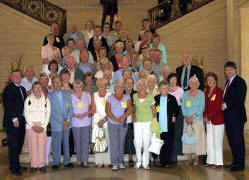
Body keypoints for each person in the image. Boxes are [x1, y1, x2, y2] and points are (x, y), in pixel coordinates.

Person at [222, 61, 247, 172]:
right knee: (232, 141)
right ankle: (235, 162)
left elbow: (239, 99)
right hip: (228, 117)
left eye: (231, 69)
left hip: (237, 117)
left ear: (235, 70)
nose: (228, 72)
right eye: (227, 70)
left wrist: (226, 105)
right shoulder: (228, 82)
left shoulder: (240, 82)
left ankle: (240, 165)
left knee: (238, 141)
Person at [2, 69, 27, 176]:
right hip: (13, 122)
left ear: (21, 77)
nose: (17, 77)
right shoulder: (8, 89)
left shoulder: (22, 88)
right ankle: (13, 167)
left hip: (21, 122)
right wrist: (14, 119)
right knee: (13, 146)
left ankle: (17, 164)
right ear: (11, 78)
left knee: (19, 145)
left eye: (19, 76)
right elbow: (9, 105)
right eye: (15, 76)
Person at [47, 77, 74, 170]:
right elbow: (52, 111)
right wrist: (63, 121)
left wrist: (68, 120)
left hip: (67, 123)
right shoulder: (49, 96)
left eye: (59, 82)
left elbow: (71, 108)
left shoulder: (66, 94)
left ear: (61, 83)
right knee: (56, 144)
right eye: (55, 82)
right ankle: (56, 162)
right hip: (56, 123)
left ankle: (67, 161)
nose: (57, 84)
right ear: (53, 84)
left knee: (66, 143)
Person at [105, 79, 132, 170]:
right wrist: (116, 119)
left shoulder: (127, 97)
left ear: (123, 87)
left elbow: (130, 109)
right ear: (114, 88)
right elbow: (107, 110)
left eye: (121, 86)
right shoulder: (110, 97)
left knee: (121, 142)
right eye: (117, 86)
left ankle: (120, 162)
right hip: (112, 123)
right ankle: (114, 163)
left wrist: (123, 117)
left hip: (123, 123)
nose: (119, 88)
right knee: (114, 143)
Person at [24, 82, 51, 172]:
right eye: (36, 88)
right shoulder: (28, 99)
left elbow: (48, 114)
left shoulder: (46, 100)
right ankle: (34, 165)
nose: (38, 89)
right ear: (33, 89)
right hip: (31, 126)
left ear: (42, 89)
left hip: (42, 126)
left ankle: (42, 164)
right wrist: (32, 126)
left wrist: (43, 126)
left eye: (39, 87)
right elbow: (26, 114)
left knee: (42, 145)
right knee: (33, 146)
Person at [181, 76, 206, 166]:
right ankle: (189, 157)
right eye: (191, 83)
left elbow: (202, 107)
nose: (193, 84)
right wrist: (186, 116)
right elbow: (183, 106)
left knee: (197, 139)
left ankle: (196, 158)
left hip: (197, 120)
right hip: (187, 120)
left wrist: (193, 116)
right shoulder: (185, 93)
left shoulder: (201, 94)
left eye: (195, 83)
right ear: (189, 84)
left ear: (198, 84)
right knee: (188, 139)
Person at [133, 79, 157, 170]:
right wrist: (133, 115)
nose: (142, 87)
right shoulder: (135, 96)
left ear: (146, 86)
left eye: (143, 85)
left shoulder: (150, 96)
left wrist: (155, 121)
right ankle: (138, 162)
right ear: (137, 87)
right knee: (137, 142)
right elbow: (134, 109)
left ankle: (145, 163)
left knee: (147, 142)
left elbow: (154, 110)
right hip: (138, 122)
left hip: (148, 122)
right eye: (140, 85)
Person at [154, 80, 179, 168]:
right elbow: (153, 110)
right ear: (159, 89)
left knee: (169, 143)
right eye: (162, 88)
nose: (164, 90)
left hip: (169, 125)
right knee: (160, 143)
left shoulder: (172, 98)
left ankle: (167, 161)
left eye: (165, 88)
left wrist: (174, 115)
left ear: (168, 89)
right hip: (159, 125)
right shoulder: (156, 98)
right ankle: (161, 161)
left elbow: (177, 109)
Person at [203, 72, 224, 168]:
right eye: (208, 80)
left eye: (212, 79)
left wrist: (209, 116)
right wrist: (204, 116)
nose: (210, 81)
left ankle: (218, 162)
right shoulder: (206, 92)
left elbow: (218, 107)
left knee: (217, 142)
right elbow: (204, 106)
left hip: (217, 120)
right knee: (210, 141)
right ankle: (210, 161)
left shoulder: (219, 91)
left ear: (215, 80)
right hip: (208, 121)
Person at [71, 79, 92, 167]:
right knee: (77, 142)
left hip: (86, 121)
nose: (78, 88)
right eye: (76, 86)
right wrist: (75, 115)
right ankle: (79, 160)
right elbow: (68, 109)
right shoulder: (70, 96)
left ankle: (85, 161)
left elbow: (91, 107)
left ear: (82, 87)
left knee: (85, 142)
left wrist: (86, 113)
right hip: (75, 122)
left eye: (80, 86)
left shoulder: (87, 95)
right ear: (74, 87)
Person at [91, 78, 112, 168]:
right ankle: (99, 161)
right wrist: (99, 121)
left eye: (103, 84)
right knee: (98, 141)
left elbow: (111, 110)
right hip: (97, 122)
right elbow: (93, 109)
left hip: (107, 121)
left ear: (106, 85)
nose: (101, 86)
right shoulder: (94, 95)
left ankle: (107, 161)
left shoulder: (110, 95)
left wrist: (104, 120)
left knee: (107, 141)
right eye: (99, 84)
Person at [167, 73, 184, 162]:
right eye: (172, 79)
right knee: (170, 134)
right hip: (169, 114)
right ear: (169, 80)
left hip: (179, 114)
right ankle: (169, 153)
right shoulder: (166, 90)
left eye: (175, 79)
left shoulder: (180, 90)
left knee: (177, 134)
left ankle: (174, 155)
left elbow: (183, 103)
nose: (173, 81)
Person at [124, 77, 136, 166]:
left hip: (133, 120)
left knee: (131, 138)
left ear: (133, 85)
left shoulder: (136, 94)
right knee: (123, 139)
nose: (129, 85)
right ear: (125, 84)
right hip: (122, 119)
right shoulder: (121, 93)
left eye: (131, 83)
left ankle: (130, 157)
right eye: (127, 83)